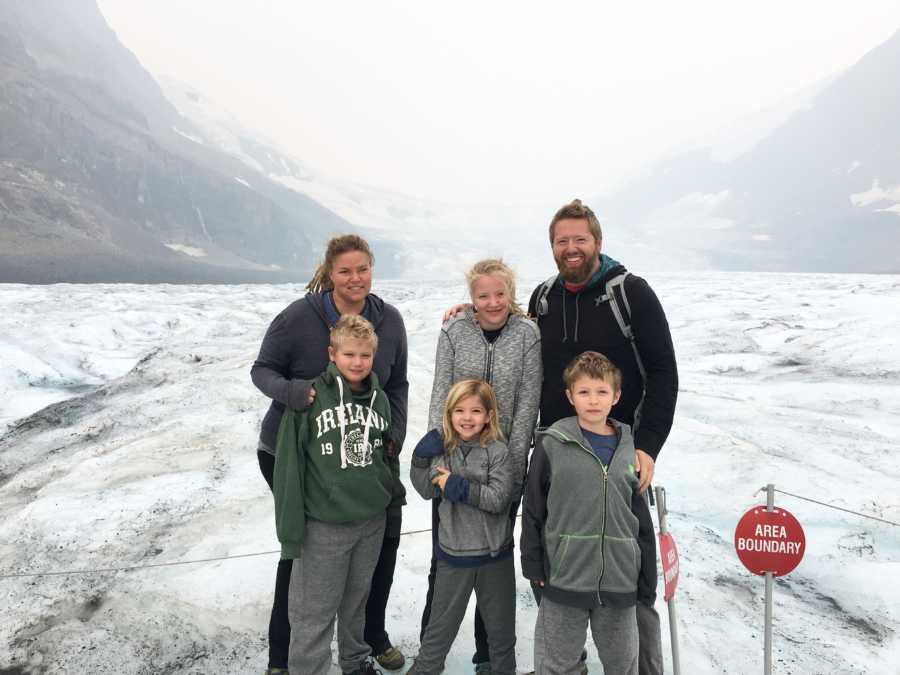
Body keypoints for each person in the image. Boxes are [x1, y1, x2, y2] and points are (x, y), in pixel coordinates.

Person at [526, 199, 678, 675]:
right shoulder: (543, 298)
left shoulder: (630, 293)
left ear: (597, 242)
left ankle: (639, 668)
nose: (571, 248)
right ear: (552, 246)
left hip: (620, 455)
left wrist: (647, 447)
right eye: (561, 241)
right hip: (559, 459)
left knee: (630, 578)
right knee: (557, 564)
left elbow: (663, 374)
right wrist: (473, 307)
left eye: (579, 239)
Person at [251, 234, 408, 673]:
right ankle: (287, 658)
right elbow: (262, 369)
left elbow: (397, 384)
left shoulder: (388, 321)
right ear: (330, 273)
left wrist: (392, 432)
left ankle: (363, 645)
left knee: (369, 552)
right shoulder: (299, 317)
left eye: (363, 269)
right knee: (304, 552)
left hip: (359, 451)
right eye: (345, 270)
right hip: (292, 450)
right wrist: (293, 393)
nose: (355, 278)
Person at [422, 259, 541, 673]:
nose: (492, 303)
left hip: (499, 467)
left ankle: (489, 658)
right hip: (453, 458)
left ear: (511, 293)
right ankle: (430, 654)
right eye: (482, 296)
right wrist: (437, 459)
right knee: (447, 561)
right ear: (471, 300)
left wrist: (514, 462)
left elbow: (528, 402)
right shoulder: (455, 331)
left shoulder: (527, 334)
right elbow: (441, 392)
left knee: (493, 566)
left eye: (499, 294)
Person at [273, 315, 403, 675]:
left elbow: (386, 455)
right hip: (324, 527)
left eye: (365, 355)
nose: (357, 362)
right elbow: (289, 468)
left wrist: (391, 495)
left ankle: (355, 662)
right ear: (332, 354)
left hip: (371, 521)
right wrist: (290, 531)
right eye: (349, 354)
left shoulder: (380, 400)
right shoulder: (309, 399)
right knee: (313, 609)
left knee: (356, 602)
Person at [521, 351, 642, 675]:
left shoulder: (630, 448)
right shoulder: (551, 444)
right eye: (584, 392)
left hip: (619, 578)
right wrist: (533, 563)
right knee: (556, 663)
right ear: (569, 396)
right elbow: (533, 508)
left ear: (616, 396)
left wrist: (646, 575)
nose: (593, 401)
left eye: (601, 392)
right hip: (565, 576)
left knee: (624, 663)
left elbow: (639, 517)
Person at [408, 379, 517, 675]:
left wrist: (456, 485)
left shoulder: (499, 452)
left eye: (475, 411)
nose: (467, 418)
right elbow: (427, 490)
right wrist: (419, 461)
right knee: (438, 631)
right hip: (453, 557)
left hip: (495, 558)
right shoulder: (445, 450)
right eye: (459, 410)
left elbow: (498, 498)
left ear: (488, 416)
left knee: (501, 633)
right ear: (449, 414)